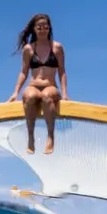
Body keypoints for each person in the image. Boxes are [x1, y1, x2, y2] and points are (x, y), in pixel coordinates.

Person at [8, 13, 66, 154]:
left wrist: (64, 94)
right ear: (34, 28)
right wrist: (15, 92)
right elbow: (23, 72)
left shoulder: (57, 47)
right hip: (33, 84)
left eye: (45, 26)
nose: (42, 29)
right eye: (39, 26)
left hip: (50, 86)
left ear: (49, 28)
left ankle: (50, 136)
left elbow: (62, 72)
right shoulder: (28, 49)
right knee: (29, 97)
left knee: (47, 96)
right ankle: (30, 137)